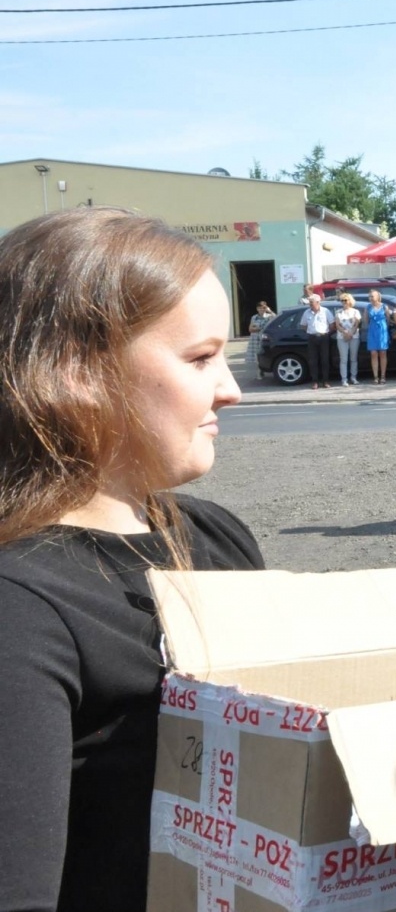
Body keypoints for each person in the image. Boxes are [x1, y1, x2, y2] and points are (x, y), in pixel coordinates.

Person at [0, 210, 265, 912]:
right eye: (201, 358)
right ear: (77, 370)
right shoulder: (21, 608)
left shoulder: (219, 539)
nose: (232, 389)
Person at [297, 291, 333, 389]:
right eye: (309, 303)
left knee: (325, 360)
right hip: (312, 338)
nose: (310, 304)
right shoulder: (306, 312)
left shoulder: (325, 311)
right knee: (313, 360)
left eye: (312, 302)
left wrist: (326, 333)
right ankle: (315, 381)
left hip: (324, 337)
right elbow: (303, 325)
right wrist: (311, 331)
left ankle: (325, 381)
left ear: (318, 302)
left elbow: (332, 324)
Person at [333, 292, 362, 386]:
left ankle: (353, 377)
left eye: (345, 300)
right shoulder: (338, 312)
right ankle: (344, 379)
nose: (343, 302)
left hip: (354, 336)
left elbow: (357, 324)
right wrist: (345, 332)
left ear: (350, 301)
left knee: (353, 358)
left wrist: (351, 333)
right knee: (343, 359)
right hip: (342, 337)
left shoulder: (355, 312)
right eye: (342, 300)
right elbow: (337, 325)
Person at [366, 289, 391, 384]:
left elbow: (388, 320)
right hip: (372, 331)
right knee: (373, 353)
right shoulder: (368, 307)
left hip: (382, 331)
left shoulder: (384, 306)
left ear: (377, 297)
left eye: (372, 296)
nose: (371, 298)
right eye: (370, 296)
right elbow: (366, 320)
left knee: (383, 353)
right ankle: (375, 376)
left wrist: (384, 327)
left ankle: (383, 376)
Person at [246, 300, 275, 378]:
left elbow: (276, 318)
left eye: (263, 308)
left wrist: (269, 310)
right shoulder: (254, 317)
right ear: (257, 309)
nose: (261, 310)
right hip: (255, 338)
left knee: (263, 354)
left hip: (264, 338)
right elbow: (250, 329)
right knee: (256, 356)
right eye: (259, 308)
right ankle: (259, 371)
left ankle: (262, 369)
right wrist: (261, 328)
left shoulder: (269, 316)